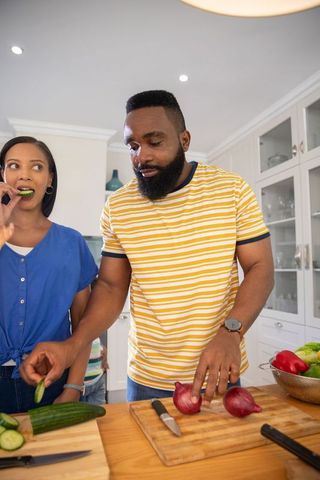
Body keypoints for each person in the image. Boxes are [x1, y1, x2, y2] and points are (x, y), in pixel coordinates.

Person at [20, 90, 274, 405]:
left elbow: (261, 268)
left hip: (218, 371)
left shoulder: (231, 190)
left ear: (184, 140)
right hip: (146, 380)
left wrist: (231, 332)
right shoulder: (119, 206)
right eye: (133, 145)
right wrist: (72, 345)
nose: (142, 156)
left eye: (155, 142)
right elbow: (112, 286)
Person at [0, 136, 98, 413]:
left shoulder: (72, 242)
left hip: (52, 380)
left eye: (37, 167)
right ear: (3, 175)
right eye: (14, 165)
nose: (25, 175)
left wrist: (73, 387)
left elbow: (83, 323)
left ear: (50, 179)